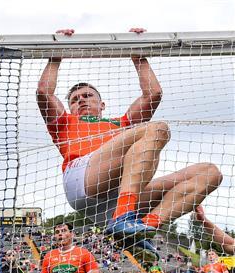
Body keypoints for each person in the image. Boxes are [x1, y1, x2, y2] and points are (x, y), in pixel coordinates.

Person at [36, 28, 223, 251]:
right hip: (84, 180)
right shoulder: (64, 123)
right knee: (157, 129)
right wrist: (56, 55)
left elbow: (153, 95)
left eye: (87, 96)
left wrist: (139, 55)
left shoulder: (122, 123)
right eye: (75, 99)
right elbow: (44, 94)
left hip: (121, 193)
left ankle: (142, 227)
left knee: (211, 173)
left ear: (101, 104)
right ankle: (124, 216)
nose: (81, 100)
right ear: (70, 107)